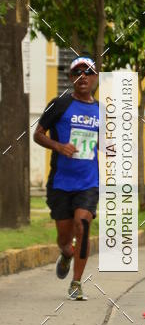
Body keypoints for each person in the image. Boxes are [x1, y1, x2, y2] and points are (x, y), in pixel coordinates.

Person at [33, 56, 100, 300]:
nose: (83, 76)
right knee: (64, 238)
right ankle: (66, 253)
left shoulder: (101, 111)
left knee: (83, 225)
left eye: (88, 72)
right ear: (71, 78)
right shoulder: (59, 104)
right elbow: (38, 134)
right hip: (61, 183)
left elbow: (107, 144)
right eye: (77, 72)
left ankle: (76, 282)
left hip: (88, 182)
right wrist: (59, 146)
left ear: (95, 78)